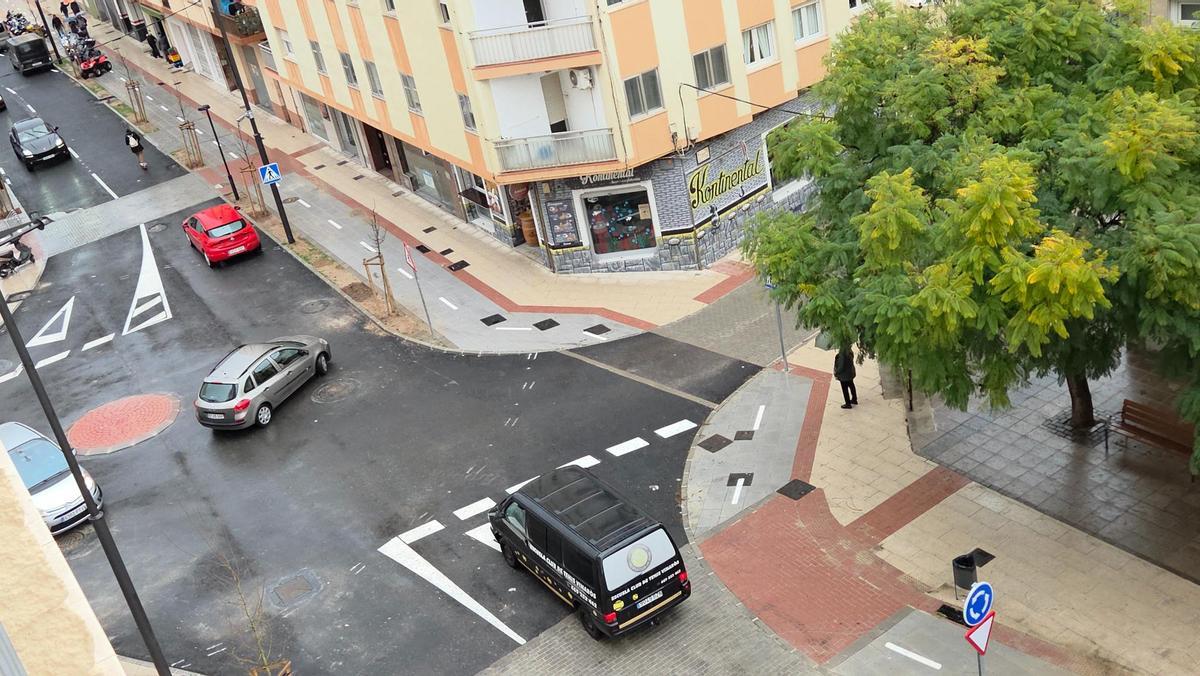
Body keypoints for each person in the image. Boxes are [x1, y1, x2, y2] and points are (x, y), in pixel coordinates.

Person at [834, 345, 858, 409]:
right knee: (851, 385)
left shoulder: (842, 354)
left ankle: (848, 404)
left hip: (844, 376)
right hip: (850, 373)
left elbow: (841, 367)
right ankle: (854, 399)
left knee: (845, 389)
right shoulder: (849, 350)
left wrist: (836, 372)